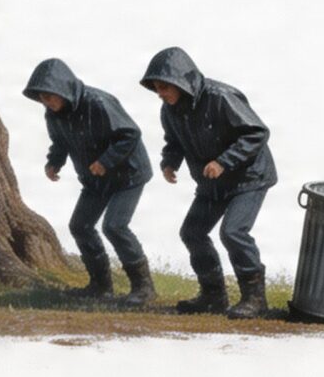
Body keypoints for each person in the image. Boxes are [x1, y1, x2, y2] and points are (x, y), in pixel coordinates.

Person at [141, 46, 277, 318]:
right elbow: (174, 141)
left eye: (164, 87)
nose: (160, 93)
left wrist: (224, 161)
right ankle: (213, 296)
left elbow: (257, 132)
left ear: (180, 82)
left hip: (249, 178)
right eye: (156, 88)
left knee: (233, 232)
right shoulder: (169, 110)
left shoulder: (221, 97)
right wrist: (170, 162)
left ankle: (255, 300)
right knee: (192, 232)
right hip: (212, 183)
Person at [22, 57, 155, 306]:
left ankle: (143, 287)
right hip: (95, 179)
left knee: (115, 226)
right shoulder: (53, 114)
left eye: (50, 96)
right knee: (80, 225)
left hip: (128, 175)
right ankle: (100, 285)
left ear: (64, 90)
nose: (47, 102)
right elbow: (59, 142)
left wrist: (106, 161)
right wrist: (54, 162)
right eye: (42, 97)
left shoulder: (98, 102)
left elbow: (130, 134)